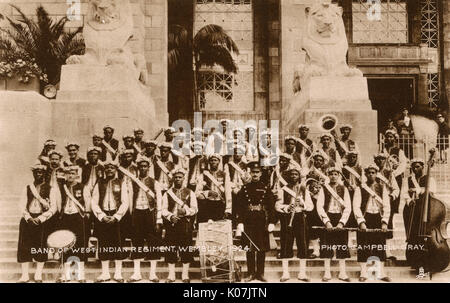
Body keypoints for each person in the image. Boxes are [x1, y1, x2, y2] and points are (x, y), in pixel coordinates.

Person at [236, 161, 277, 282]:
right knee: (249, 248)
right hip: (248, 220)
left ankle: (260, 273)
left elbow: (271, 206)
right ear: (250, 173)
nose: (255, 174)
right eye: (253, 172)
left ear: (260, 173)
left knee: (261, 248)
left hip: (261, 221)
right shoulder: (244, 188)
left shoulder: (265, 187)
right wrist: (240, 222)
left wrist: (271, 222)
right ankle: (250, 273)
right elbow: (239, 206)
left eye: (257, 172)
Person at [91, 156, 130, 283]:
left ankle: (118, 274)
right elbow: (94, 202)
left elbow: (125, 202)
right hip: (103, 217)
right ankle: (105, 273)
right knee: (104, 245)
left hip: (116, 218)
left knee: (117, 245)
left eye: (112, 168)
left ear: (115, 169)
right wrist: (101, 216)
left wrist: (117, 216)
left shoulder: (121, 182)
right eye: (107, 168)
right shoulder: (99, 183)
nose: (109, 170)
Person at [17, 164, 58, 283]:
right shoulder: (27, 188)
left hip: (42, 221)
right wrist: (28, 217)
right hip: (28, 220)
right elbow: (21, 204)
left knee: (41, 247)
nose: (38, 174)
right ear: (33, 174)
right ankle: (24, 275)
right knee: (24, 247)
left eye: (41, 172)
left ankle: (38, 275)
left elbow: (53, 207)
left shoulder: (51, 189)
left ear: (44, 174)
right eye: (36, 172)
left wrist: (41, 218)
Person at [353, 164, 391, 282]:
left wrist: (384, 221)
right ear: (365, 174)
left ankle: (380, 272)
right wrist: (361, 221)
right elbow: (356, 206)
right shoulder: (360, 188)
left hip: (378, 218)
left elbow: (386, 205)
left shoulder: (382, 187)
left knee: (380, 245)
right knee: (363, 245)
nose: (371, 175)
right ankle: (363, 272)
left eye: (373, 172)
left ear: (376, 174)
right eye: (369, 173)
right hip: (366, 218)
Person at [128, 156, 163, 283]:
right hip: (137, 214)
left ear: (148, 168)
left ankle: (153, 274)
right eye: (140, 166)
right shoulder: (133, 182)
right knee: (137, 243)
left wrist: (158, 220)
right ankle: (137, 273)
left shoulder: (155, 182)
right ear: (138, 168)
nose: (143, 168)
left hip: (150, 214)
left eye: (145, 166)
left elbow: (159, 201)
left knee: (153, 243)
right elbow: (130, 199)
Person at [276, 165, 314, 282]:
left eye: (296, 174)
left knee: (302, 245)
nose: (293, 176)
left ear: (299, 176)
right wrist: (287, 207)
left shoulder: (304, 190)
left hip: (300, 219)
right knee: (286, 244)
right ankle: (285, 274)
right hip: (287, 219)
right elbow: (277, 206)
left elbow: (310, 206)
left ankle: (302, 274)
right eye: (291, 174)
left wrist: (302, 204)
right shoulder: (283, 189)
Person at [162, 168, 198, 283]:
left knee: (186, 249)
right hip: (172, 224)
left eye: (180, 177)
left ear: (183, 178)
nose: (177, 179)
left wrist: (186, 212)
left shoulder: (190, 192)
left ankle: (185, 275)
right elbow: (163, 209)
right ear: (173, 178)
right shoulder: (168, 193)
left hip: (185, 224)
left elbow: (195, 209)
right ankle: (171, 275)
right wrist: (170, 216)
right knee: (171, 248)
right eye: (176, 177)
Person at [317, 166, 352, 282]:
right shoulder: (324, 188)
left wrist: (342, 222)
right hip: (328, 218)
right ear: (328, 175)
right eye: (331, 174)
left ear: (339, 176)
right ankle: (327, 273)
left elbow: (348, 207)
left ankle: (342, 273)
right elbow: (319, 206)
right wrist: (326, 221)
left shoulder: (344, 189)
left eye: (336, 174)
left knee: (342, 246)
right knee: (326, 245)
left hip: (340, 218)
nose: (333, 176)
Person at [55, 166, 89, 283]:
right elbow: (59, 203)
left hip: (78, 217)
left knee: (80, 245)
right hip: (65, 217)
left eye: (72, 173)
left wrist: (85, 215)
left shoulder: (83, 187)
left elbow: (87, 202)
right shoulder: (61, 188)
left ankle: (80, 275)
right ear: (65, 175)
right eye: (68, 173)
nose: (70, 175)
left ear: (76, 175)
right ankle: (66, 275)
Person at [402, 158, 436, 272]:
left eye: (417, 166)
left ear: (423, 167)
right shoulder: (407, 180)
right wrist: (409, 200)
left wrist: (417, 190)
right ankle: (415, 261)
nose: (415, 169)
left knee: (424, 234)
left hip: (425, 209)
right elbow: (404, 193)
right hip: (411, 209)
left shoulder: (429, 178)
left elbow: (431, 191)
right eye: (413, 167)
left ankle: (426, 261)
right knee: (413, 234)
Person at [195, 153, 231, 223]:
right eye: (211, 160)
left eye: (215, 160)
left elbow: (228, 193)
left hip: (220, 205)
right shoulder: (203, 175)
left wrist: (228, 209)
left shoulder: (224, 175)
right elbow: (197, 193)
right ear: (209, 162)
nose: (213, 162)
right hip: (207, 205)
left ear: (219, 162)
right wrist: (208, 193)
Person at [224, 142, 251, 226]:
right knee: (233, 206)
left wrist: (242, 186)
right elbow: (227, 180)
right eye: (235, 152)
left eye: (239, 152)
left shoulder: (247, 165)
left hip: (243, 188)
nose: (237, 154)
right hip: (231, 189)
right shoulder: (228, 165)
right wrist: (233, 188)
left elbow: (248, 179)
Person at [81, 146, 104, 240]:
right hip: (86, 190)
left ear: (98, 155)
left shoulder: (102, 167)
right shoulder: (85, 167)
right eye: (91, 154)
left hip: (97, 191)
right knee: (87, 212)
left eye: (95, 154)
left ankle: (97, 235)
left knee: (96, 210)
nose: (93, 156)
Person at [304, 172, 324, 259]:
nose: (313, 182)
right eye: (311, 180)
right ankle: (314, 250)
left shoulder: (321, 188)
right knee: (311, 231)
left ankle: (321, 250)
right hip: (309, 212)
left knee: (321, 231)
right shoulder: (304, 189)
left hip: (319, 211)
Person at [342, 151, 362, 229]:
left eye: (354, 157)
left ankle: (356, 223)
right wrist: (346, 184)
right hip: (347, 190)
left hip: (357, 190)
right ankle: (348, 222)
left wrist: (357, 186)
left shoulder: (359, 169)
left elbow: (362, 180)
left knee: (356, 206)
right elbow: (341, 180)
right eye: (350, 157)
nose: (352, 159)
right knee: (348, 206)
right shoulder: (344, 169)